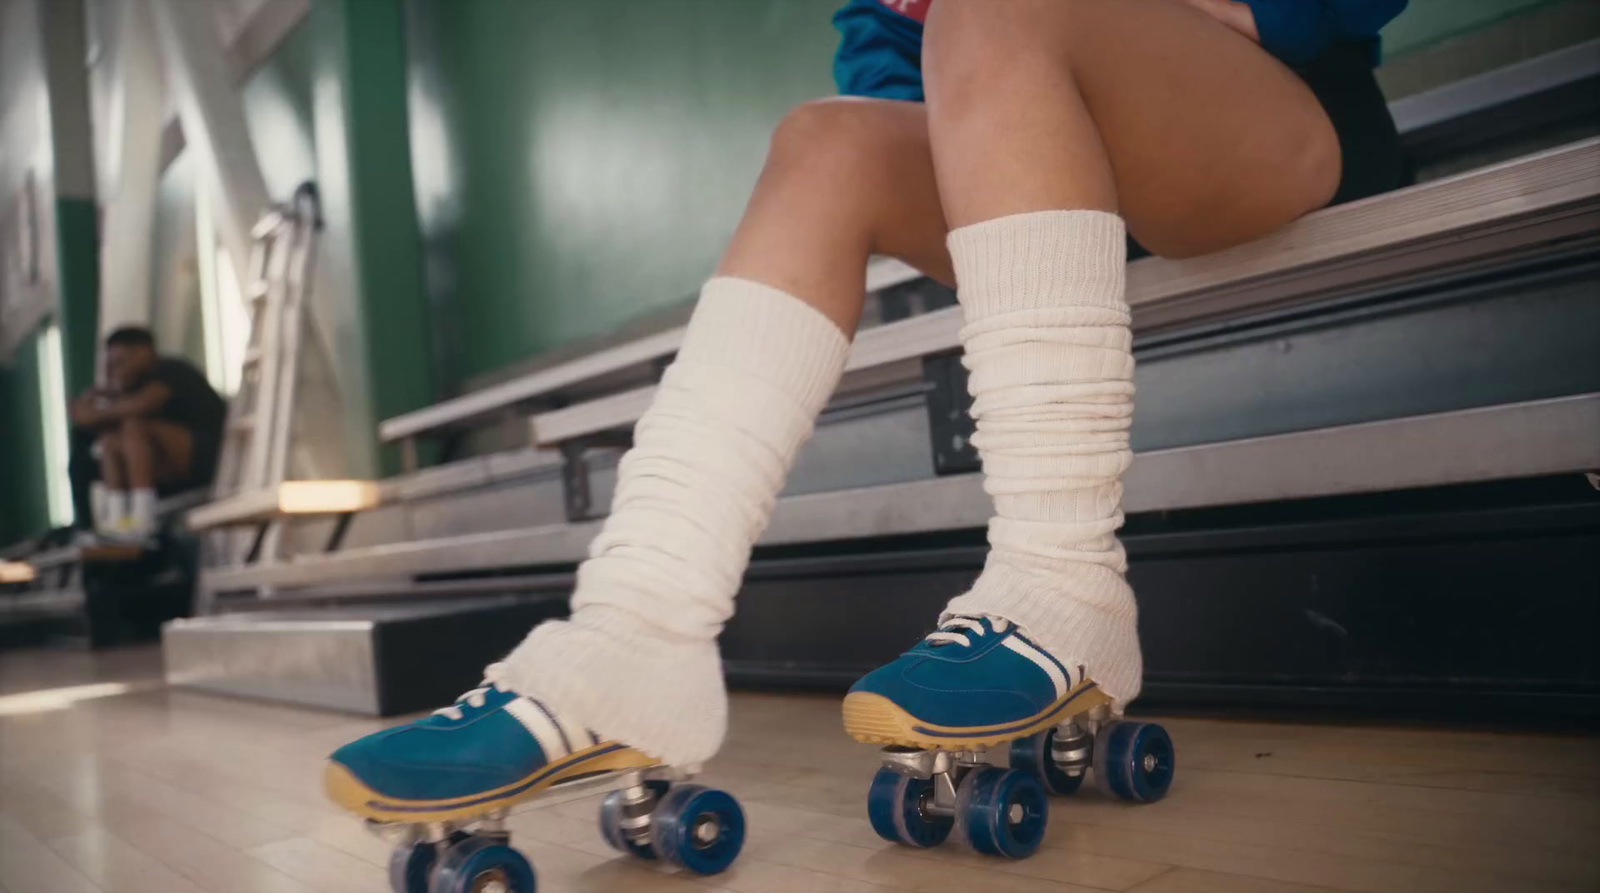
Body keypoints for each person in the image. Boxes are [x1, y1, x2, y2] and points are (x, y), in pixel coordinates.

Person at [325, 0, 1410, 827]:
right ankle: (632, 634)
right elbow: (881, 49)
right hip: (1043, 158)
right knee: (826, 139)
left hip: (1265, 115)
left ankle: (1060, 581)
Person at [68, 327, 226, 541]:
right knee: (110, 440)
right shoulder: (133, 386)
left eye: (121, 363)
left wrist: (95, 413)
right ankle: (120, 517)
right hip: (170, 469)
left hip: (208, 456)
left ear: (143, 352)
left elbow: (141, 406)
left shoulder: (169, 370)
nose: (117, 370)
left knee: (134, 427)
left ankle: (143, 517)